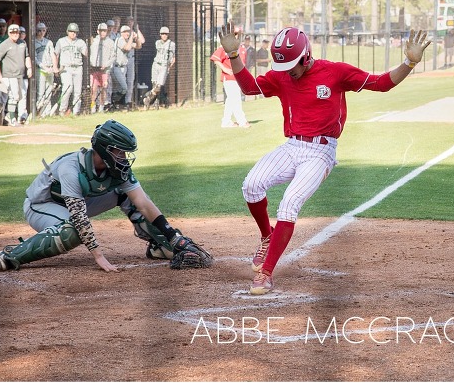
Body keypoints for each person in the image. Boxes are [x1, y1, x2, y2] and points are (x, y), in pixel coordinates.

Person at [219, 24, 430, 294]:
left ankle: (266, 274)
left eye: (292, 66)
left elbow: (382, 83)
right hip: (292, 145)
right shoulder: (283, 75)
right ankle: (266, 236)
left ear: (306, 56)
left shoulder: (335, 72)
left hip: (321, 151)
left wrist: (409, 62)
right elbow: (249, 88)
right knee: (251, 185)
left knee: (289, 203)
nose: (287, 73)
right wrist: (234, 55)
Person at [0, 119, 212, 272]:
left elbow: (143, 202)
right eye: (120, 152)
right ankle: (12, 256)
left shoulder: (117, 169)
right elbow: (79, 217)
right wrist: (98, 255)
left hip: (77, 203)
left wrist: (172, 236)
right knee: (73, 231)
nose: (124, 157)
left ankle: (160, 246)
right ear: (106, 150)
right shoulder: (71, 168)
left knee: (126, 196)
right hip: (41, 206)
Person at [0, 23, 32, 126]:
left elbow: (27, 56)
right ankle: (10, 116)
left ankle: (21, 117)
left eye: (17, 32)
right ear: (9, 33)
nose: (15, 34)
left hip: (21, 75)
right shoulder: (4, 44)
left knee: (22, 95)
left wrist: (29, 68)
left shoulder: (22, 43)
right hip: (10, 75)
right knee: (13, 96)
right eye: (13, 32)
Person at [210, 44, 249, 128]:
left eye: (238, 34)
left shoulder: (242, 48)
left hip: (238, 78)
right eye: (235, 33)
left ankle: (226, 121)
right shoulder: (226, 46)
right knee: (236, 99)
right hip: (229, 78)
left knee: (230, 100)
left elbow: (243, 64)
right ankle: (242, 121)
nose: (236, 36)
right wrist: (224, 69)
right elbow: (215, 58)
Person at [54, 23, 88, 116]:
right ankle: (62, 110)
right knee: (68, 88)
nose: (73, 33)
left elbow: (86, 53)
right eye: (71, 31)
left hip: (78, 67)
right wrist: (55, 67)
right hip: (66, 68)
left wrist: (90, 45)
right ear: (67, 32)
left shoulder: (80, 42)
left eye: (75, 32)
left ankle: (76, 111)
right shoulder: (61, 41)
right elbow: (56, 54)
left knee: (77, 91)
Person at [143, 26, 176, 108]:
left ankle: (147, 98)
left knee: (158, 86)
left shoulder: (171, 44)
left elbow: (173, 58)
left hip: (164, 66)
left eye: (166, 34)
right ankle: (155, 104)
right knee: (154, 84)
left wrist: (169, 67)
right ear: (160, 34)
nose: (164, 35)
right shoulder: (157, 42)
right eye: (162, 34)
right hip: (156, 64)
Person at [33, 22, 59, 117]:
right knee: (41, 92)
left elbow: (53, 54)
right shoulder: (34, 42)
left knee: (49, 91)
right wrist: (44, 67)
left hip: (50, 69)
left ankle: (47, 112)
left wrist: (54, 67)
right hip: (40, 70)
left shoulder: (49, 42)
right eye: (39, 30)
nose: (41, 32)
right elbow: (35, 59)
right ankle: (41, 112)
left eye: (43, 30)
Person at [89, 23, 115, 113]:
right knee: (93, 89)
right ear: (97, 31)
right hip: (94, 68)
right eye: (101, 31)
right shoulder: (93, 41)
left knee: (103, 89)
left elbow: (113, 56)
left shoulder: (110, 42)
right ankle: (93, 107)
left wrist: (106, 64)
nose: (102, 33)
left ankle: (101, 107)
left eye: (104, 31)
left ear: (107, 31)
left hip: (104, 69)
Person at [110, 25, 134, 109]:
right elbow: (127, 48)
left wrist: (136, 38)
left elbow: (139, 46)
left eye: (128, 32)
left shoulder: (127, 40)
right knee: (124, 87)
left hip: (124, 67)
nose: (127, 33)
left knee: (119, 88)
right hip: (117, 67)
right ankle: (113, 102)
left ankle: (114, 105)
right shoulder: (120, 40)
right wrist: (131, 37)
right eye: (125, 32)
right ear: (121, 33)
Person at [124, 17, 145, 110]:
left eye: (132, 21)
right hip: (123, 59)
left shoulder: (134, 31)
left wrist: (137, 29)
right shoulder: (124, 31)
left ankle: (128, 102)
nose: (130, 23)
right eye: (129, 21)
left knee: (130, 80)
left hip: (131, 59)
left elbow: (142, 41)